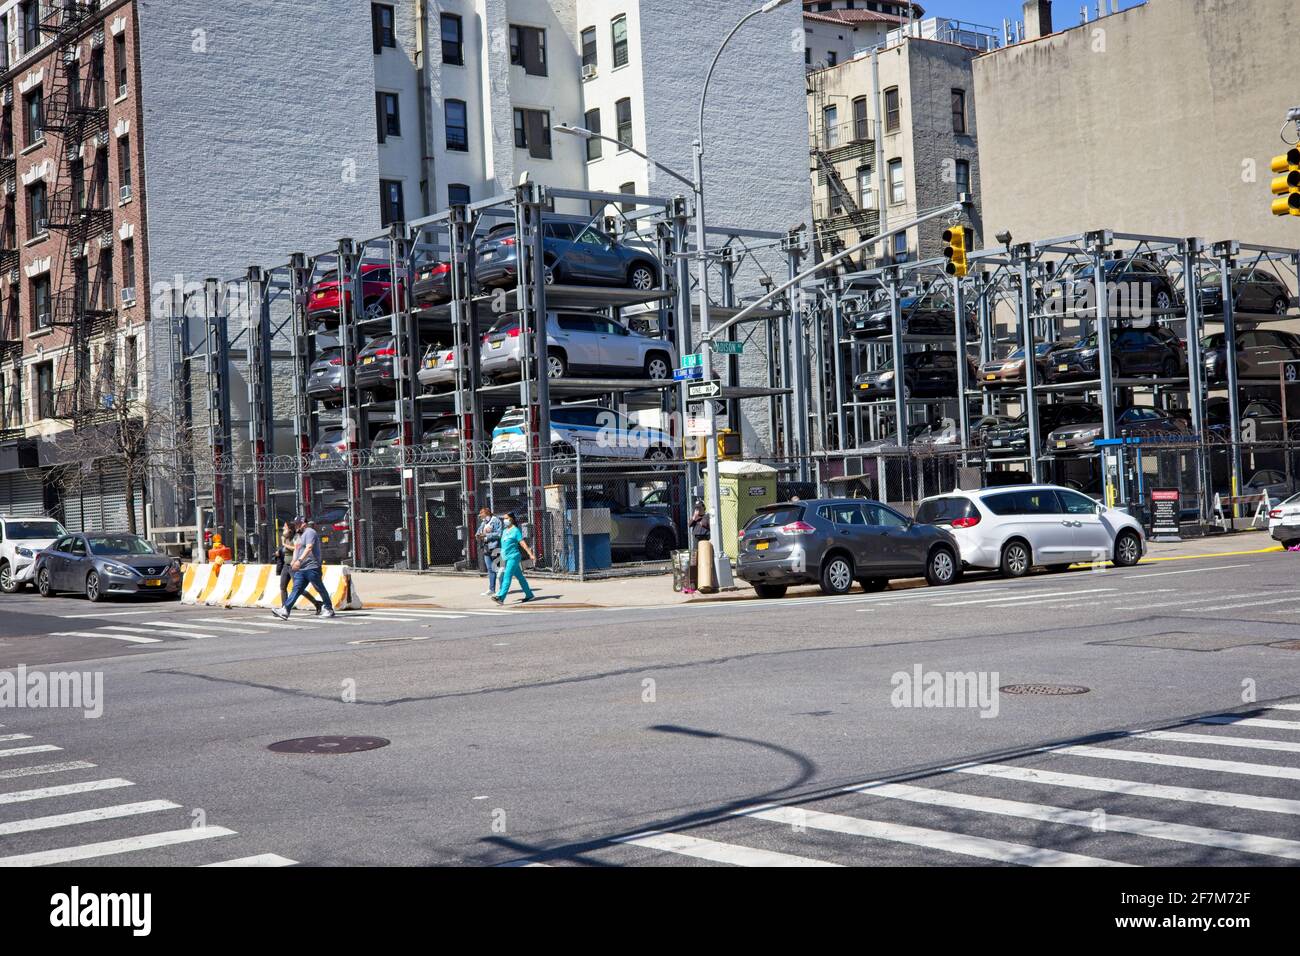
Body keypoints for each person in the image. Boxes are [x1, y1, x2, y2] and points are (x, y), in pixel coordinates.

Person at [273, 516, 335, 620]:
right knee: (296, 589)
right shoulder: (298, 535)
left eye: (298, 524)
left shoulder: (310, 532)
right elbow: (297, 549)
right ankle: (285, 610)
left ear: (304, 524)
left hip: (312, 566)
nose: (296, 526)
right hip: (301, 569)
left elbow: (309, 547)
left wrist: (299, 560)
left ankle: (329, 608)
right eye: (295, 524)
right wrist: (294, 561)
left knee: (319, 587)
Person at [492, 512, 535, 605]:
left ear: (511, 519)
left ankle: (501, 597)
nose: (504, 520)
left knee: (507, 576)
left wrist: (530, 554)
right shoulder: (504, 531)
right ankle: (529, 594)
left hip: (513, 557)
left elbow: (522, 543)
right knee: (520, 577)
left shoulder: (515, 530)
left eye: (506, 518)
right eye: (503, 518)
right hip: (505, 557)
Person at [475, 507, 503, 596]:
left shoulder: (496, 521)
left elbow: (499, 534)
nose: (480, 517)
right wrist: (478, 535)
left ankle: (502, 589)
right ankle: (492, 589)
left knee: (498, 569)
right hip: (486, 548)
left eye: (481, 514)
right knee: (490, 569)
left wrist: (487, 536)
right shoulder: (484, 522)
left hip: (495, 547)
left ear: (486, 513)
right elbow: (479, 531)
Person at [685, 500, 710, 594]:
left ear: (703, 508)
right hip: (696, 539)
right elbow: (689, 524)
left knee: (704, 561)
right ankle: (692, 584)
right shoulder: (695, 517)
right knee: (693, 561)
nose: (698, 510)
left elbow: (706, 524)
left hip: (705, 540)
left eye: (699, 508)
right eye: (696, 508)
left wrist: (700, 521)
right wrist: (694, 518)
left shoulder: (706, 516)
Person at [274, 520, 297, 607]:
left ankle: (316, 603)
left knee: (298, 588)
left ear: (290, 529)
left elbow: (295, 548)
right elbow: (284, 550)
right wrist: (279, 551)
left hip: (293, 565)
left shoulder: (295, 538)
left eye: (285, 527)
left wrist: (284, 544)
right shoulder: (285, 538)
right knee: (282, 586)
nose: (283, 528)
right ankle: (285, 606)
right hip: (285, 565)